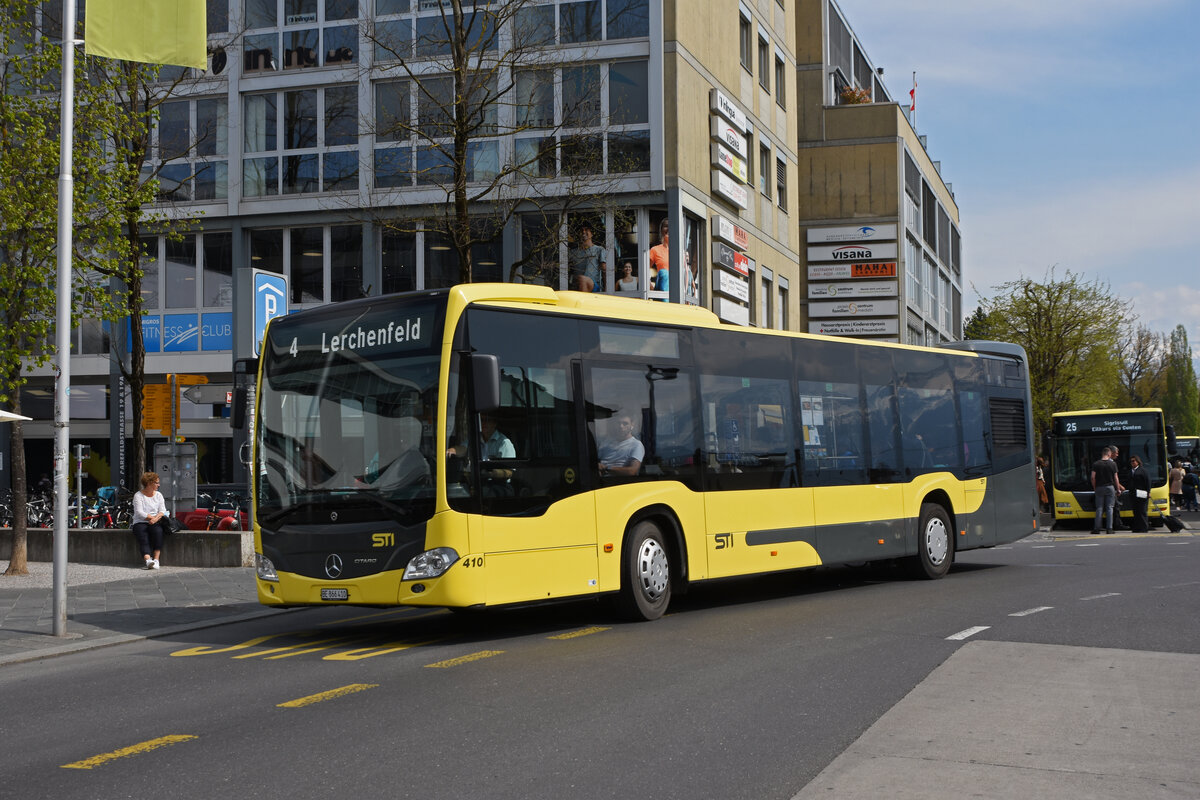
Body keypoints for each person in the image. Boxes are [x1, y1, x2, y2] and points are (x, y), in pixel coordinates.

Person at [132, 471, 168, 569]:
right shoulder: (138, 495)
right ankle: (148, 560)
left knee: (158, 532)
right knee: (142, 536)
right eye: (156, 483)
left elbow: (162, 510)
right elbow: (139, 512)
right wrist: (152, 518)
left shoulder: (158, 495)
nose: (158, 485)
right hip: (140, 521)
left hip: (156, 521)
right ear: (149, 483)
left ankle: (156, 560)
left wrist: (155, 519)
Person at [569, 223, 605, 292]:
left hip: (594, 285)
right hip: (576, 285)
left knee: (582, 279)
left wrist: (607, 291)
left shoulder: (599, 250)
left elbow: (604, 270)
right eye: (581, 230)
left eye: (586, 230)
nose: (583, 232)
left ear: (592, 234)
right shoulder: (573, 252)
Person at [1090, 446, 1118, 535]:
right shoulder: (1113, 464)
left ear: (1102, 454)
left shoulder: (1096, 464)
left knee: (1099, 508)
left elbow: (1092, 477)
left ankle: (1097, 529)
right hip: (1110, 487)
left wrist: (1095, 488)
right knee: (1110, 508)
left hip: (1099, 487)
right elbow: (1116, 478)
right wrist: (1118, 489)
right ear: (1109, 454)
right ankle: (1109, 529)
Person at [1127, 454, 1151, 532]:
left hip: (1142, 493)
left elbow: (1148, 481)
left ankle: (1144, 527)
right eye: (1131, 461)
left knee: (1142, 511)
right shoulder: (1131, 471)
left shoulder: (1143, 470)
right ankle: (1137, 527)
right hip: (1133, 494)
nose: (1132, 463)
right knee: (1136, 511)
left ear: (1138, 462)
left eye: (1133, 461)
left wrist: (1148, 492)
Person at [649, 218, 669, 300]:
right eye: (666, 226)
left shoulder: (679, 251)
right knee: (664, 273)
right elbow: (644, 271)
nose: (668, 229)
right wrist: (650, 287)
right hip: (661, 289)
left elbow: (685, 274)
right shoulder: (655, 250)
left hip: (676, 287)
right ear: (661, 230)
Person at [1109, 445, 1128, 530]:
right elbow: (1113, 478)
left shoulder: (1101, 462)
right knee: (1115, 507)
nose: (1117, 455)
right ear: (1112, 453)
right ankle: (1117, 525)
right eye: (1116, 453)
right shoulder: (1112, 463)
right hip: (1111, 489)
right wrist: (1119, 487)